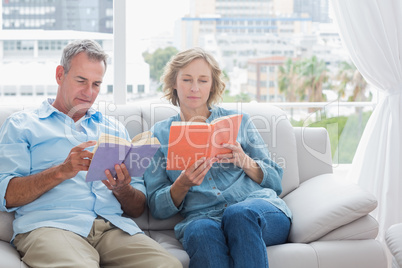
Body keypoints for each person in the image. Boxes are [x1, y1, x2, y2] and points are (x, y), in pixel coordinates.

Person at [0, 39, 181, 268]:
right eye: (81, 81)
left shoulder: (115, 130)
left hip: (112, 228)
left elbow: (136, 208)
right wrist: (61, 171)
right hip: (52, 226)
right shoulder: (22, 125)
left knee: (168, 265)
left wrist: (122, 189)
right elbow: (6, 196)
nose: (89, 92)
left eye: (96, 84)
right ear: (59, 75)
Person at [143, 47, 292, 268]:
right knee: (201, 231)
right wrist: (182, 185)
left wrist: (245, 161)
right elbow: (157, 207)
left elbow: (276, 181)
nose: (194, 88)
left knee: (238, 214)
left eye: (203, 80)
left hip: (256, 210)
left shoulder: (240, 121)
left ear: (212, 85)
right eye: (187, 79)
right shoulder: (158, 135)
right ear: (174, 82)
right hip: (202, 217)